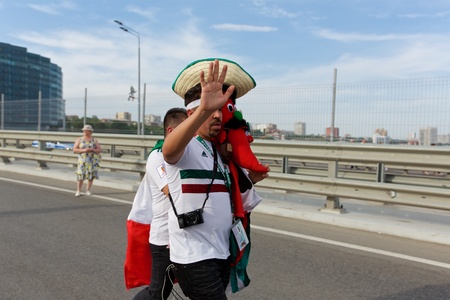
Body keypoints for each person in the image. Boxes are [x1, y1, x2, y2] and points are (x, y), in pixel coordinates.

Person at [163, 58, 268, 299]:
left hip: (221, 252)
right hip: (194, 256)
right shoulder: (187, 146)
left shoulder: (220, 152)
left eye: (222, 109)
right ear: (193, 112)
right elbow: (168, 151)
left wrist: (250, 179)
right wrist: (204, 110)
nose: (218, 116)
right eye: (213, 110)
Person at [130, 108, 188, 300]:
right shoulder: (157, 157)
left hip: (182, 236)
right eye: (187, 129)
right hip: (163, 238)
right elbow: (171, 191)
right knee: (158, 293)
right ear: (172, 132)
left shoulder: (186, 154)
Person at [73, 124, 102, 196]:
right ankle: (78, 190)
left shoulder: (94, 140)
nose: (85, 132)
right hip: (82, 160)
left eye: (87, 131)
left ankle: (88, 190)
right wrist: (83, 150)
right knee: (81, 175)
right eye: (84, 131)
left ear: (90, 132)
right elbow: (74, 149)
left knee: (91, 176)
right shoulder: (79, 139)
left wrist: (92, 149)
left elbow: (99, 149)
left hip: (92, 160)